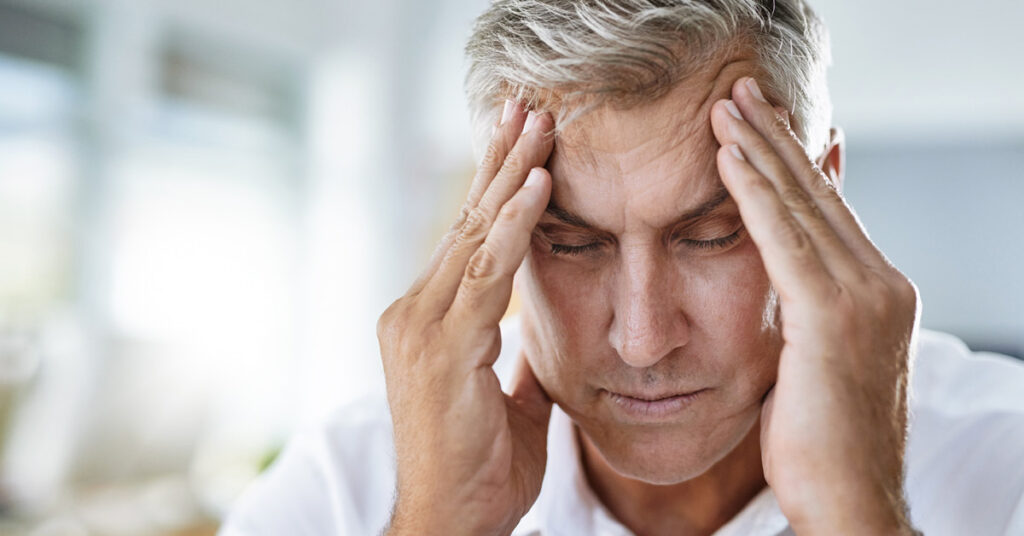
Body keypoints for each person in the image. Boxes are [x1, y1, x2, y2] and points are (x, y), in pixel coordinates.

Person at [220, 1, 1024, 534]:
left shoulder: (1005, 458)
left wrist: (858, 515)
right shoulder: (345, 489)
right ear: (494, 225)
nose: (642, 341)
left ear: (827, 192)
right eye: (571, 243)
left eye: (711, 235)